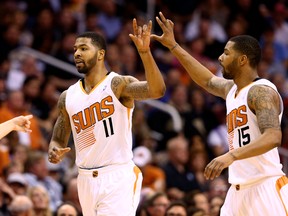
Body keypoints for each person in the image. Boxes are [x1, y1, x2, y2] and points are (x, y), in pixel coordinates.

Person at [151, 12, 288, 216]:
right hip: (237, 190)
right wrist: (174, 46)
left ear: (242, 60)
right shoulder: (232, 90)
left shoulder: (261, 91)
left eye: (226, 53)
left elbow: (273, 136)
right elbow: (206, 80)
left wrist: (230, 156)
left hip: (265, 185)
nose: (220, 57)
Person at [48, 17, 166, 216]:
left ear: (101, 54)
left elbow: (157, 90)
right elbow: (58, 139)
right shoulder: (67, 96)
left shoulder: (117, 84)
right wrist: (54, 150)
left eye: (83, 48)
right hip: (85, 179)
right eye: (75, 49)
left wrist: (145, 53)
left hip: (117, 176)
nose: (77, 53)